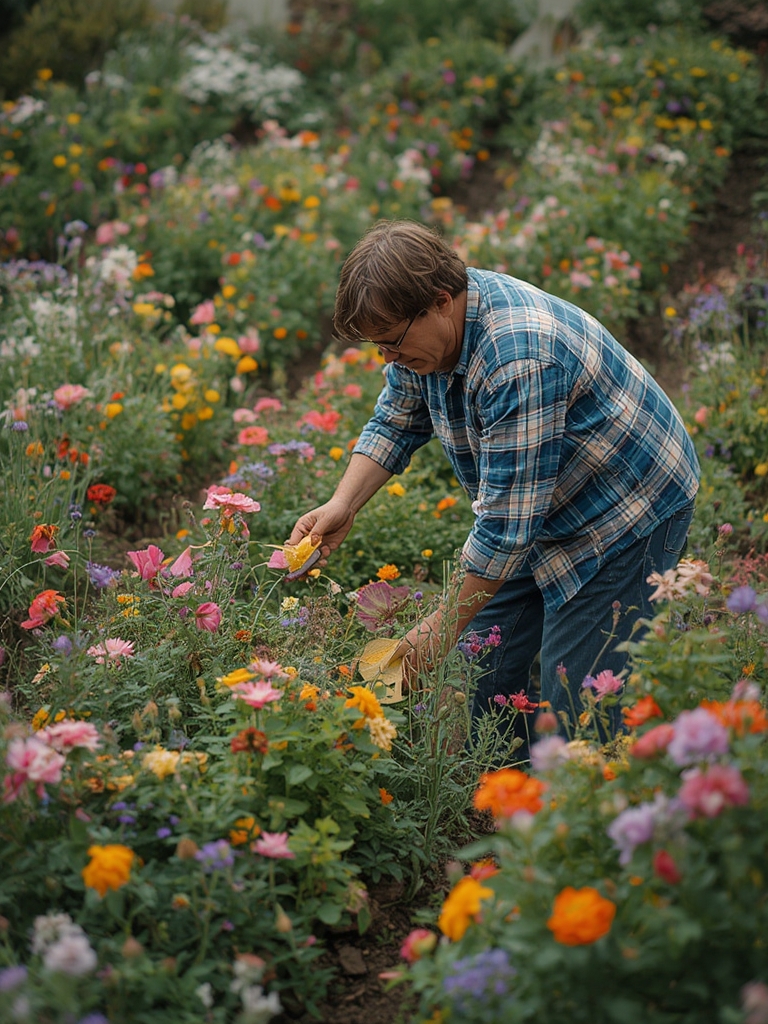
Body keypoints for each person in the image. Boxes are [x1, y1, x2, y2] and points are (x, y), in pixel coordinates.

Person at [287, 219, 700, 754]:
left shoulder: (518, 359)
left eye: (391, 342)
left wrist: (429, 636)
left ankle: (600, 815)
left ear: (439, 300)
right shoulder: (430, 332)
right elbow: (396, 420)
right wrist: (343, 504)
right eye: (377, 346)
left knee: (583, 702)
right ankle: (514, 804)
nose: (387, 359)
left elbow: (505, 533)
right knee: (483, 671)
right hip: (538, 505)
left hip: (625, 508)